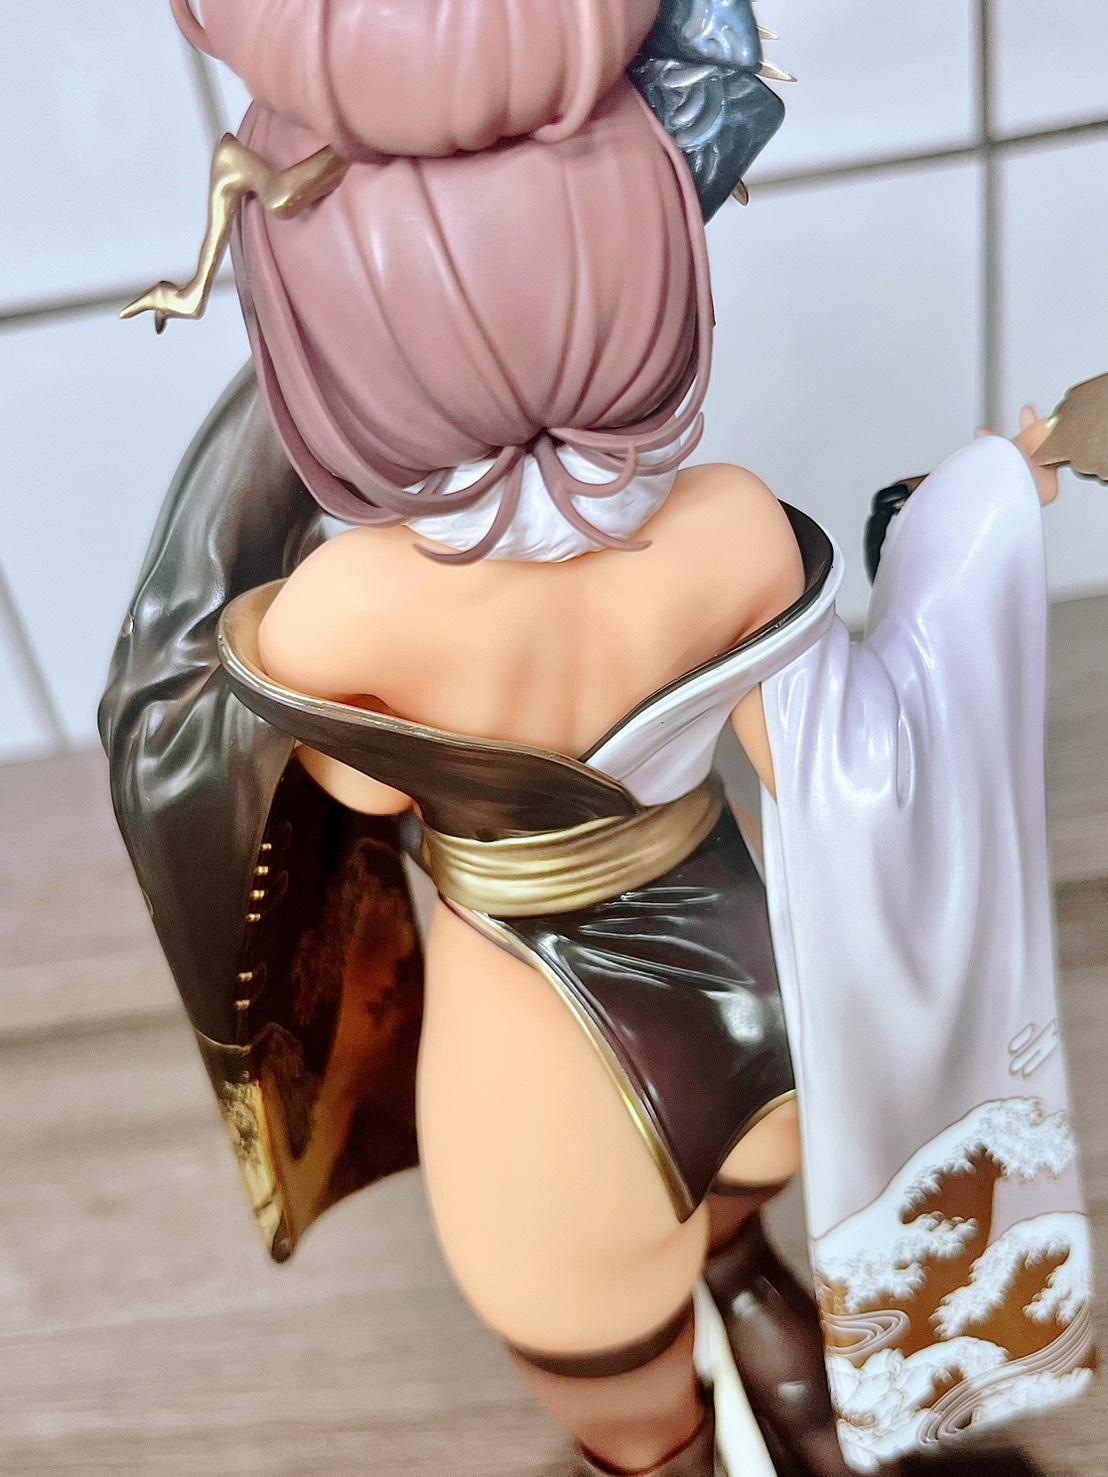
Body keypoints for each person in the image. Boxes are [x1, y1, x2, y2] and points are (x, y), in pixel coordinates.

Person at [102, 3, 1097, 1473]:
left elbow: (352, 786)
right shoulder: (732, 530)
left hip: (546, 1102)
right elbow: (853, 750)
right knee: (745, 1258)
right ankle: (787, 1354)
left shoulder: (343, 618)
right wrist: (980, 503)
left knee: (636, 1423)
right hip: (761, 1022)